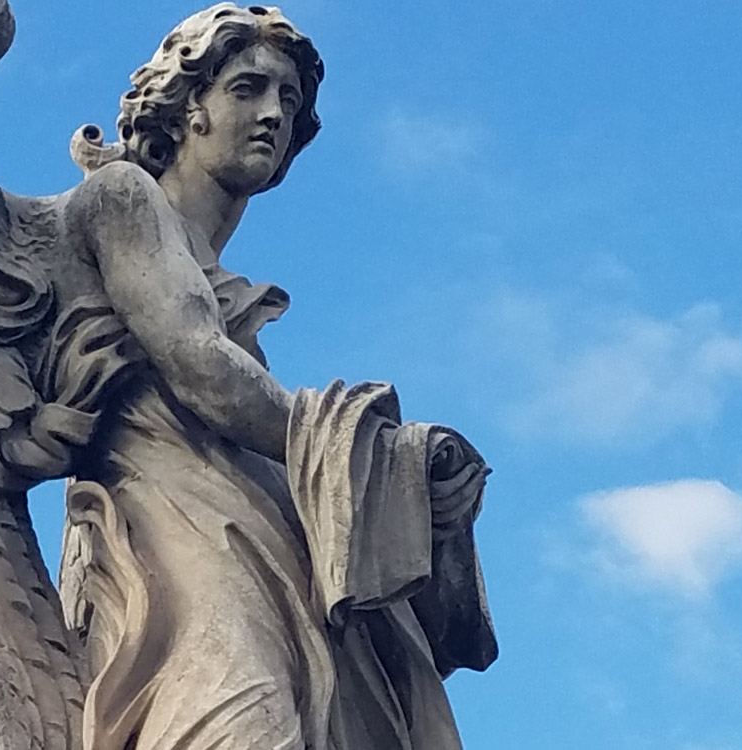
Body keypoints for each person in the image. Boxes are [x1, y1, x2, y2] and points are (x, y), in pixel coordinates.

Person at [56, 6, 473, 749]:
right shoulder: (122, 200)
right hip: (177, 547)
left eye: (289, 99)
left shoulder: (229, 298)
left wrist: (422, 492)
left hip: (264, 546)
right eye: (247, 88)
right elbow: (202, 372)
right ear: (187, 108)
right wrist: (382, 458)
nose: (274, 113)